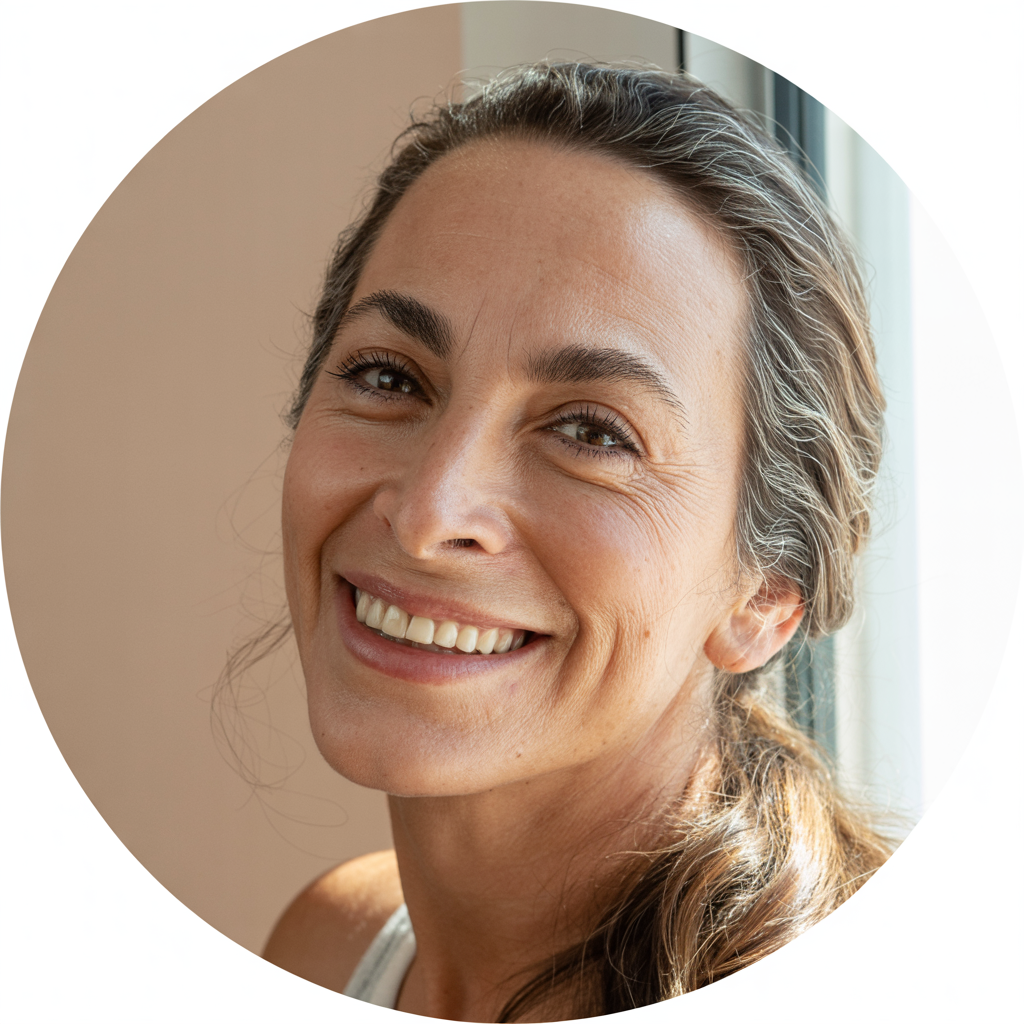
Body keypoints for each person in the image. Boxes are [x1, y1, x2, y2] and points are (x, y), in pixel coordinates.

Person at [255, 62, 892, 1020]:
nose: (429, 514)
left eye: (594, 433)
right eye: (388, 377)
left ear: (763, 596)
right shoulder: (330, 944)